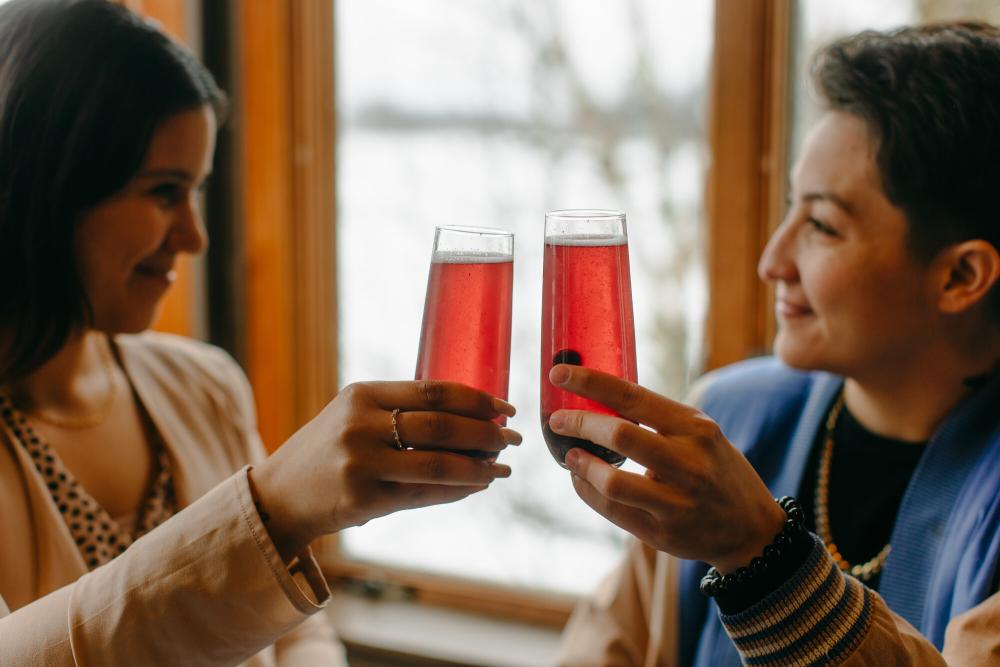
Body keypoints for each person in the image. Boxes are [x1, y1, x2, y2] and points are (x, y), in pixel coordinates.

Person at [0, 1, 520, 665]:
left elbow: (298, 630)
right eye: (163, 191)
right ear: (45, 185)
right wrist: (273, 508)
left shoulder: (205, 385)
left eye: (196, 192)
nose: (194, 236)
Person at [554, 21, 1000, 666]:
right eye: (791, 206)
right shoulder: (728, 419)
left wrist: (762, 559)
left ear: (960, 276)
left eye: (821, 224)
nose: (772, 260)